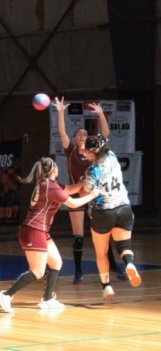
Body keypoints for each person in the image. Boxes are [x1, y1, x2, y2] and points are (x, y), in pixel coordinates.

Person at [0, 157, 99, 313]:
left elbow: (71, 189)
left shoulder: (49, 184)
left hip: (39, 230)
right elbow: (73, 203)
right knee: (37, 271)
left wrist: (84, 183)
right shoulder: (50, 187)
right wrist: (92, 195)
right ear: (52, 170)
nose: (58, 168)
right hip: (33, 230)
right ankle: (6, 295)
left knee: (56, 262)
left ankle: (48, 299)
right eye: (56, 166)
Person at [53, 97, 126, 285]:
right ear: (75, 138)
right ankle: (78, 272)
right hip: (77, 195)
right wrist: (61, 113)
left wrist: (101, 114)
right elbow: (61, 133)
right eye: (79, 134)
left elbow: (106, 133)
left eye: (85, 133)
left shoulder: (97, 152)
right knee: (78, 236)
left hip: (94, 196)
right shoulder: (70, 151)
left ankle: (113, 266)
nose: (82, 135)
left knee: (104, 234)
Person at [81, 134, 141, 299]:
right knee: (124, 246)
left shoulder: (93, 170)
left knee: (102, 252)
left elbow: (86, 190)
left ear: (92, 153)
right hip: (124, 207)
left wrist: (83, 181)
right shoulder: (113, 156)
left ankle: (106, 286)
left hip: (103, 212)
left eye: (87, 151)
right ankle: (129, 263)